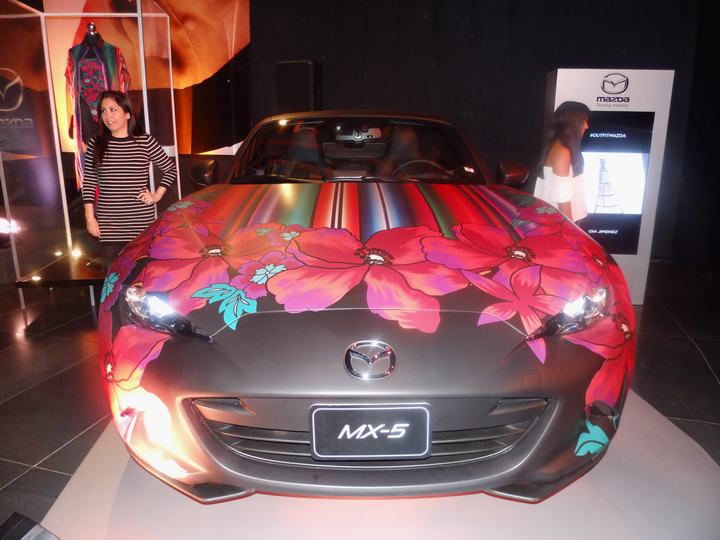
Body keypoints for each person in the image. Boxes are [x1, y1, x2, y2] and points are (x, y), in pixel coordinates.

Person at [82, 90, 177, 268]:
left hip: (140, 224)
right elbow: (89, 181)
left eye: (113, 109)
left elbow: (170, 169)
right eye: (103, 111)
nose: (107, 116)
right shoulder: (96, 144)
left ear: (127, 113)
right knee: (113, 277)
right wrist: (89, 217)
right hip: (109, 226)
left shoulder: (145, 141)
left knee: (141, 276)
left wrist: (157, 195)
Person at [534, 101, 590, 222]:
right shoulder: (562, 152)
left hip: (561, 221)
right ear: (573, 123)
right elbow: (562, 197)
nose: (586, 126)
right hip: (563, 223)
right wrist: (571, 229)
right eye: (584, 121)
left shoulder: (559, 147)